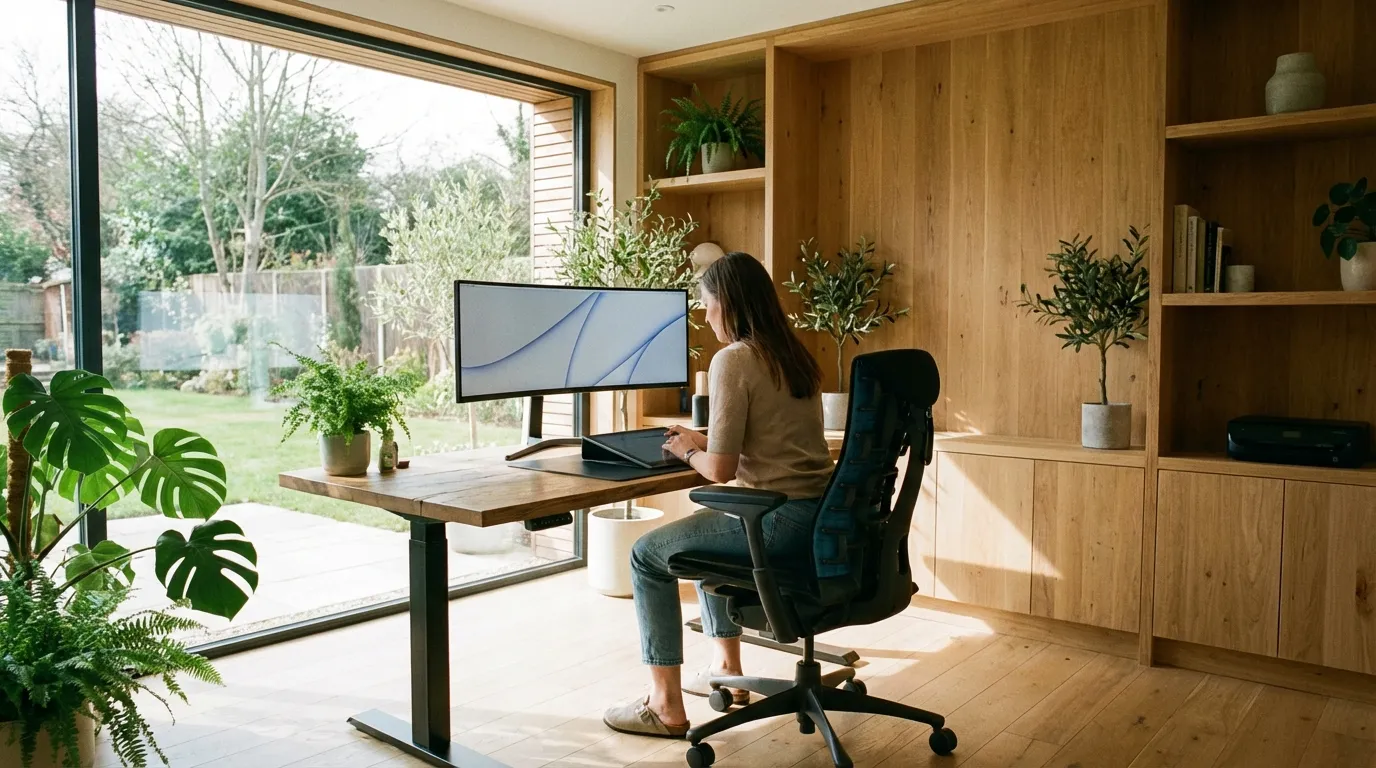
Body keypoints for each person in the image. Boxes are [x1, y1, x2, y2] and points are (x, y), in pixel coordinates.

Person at [602, 251, 835, 739]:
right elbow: (769, 437)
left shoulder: (733, 359)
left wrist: (690, 452)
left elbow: (720, 472)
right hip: (818, 516)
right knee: (703, 541)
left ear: (727, 303)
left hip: (773, 520)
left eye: (707, 306)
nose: (705, 319)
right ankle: (727, 668)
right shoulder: (794, 355)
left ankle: (663, 704)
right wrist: (703, 437)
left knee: (648, 555)